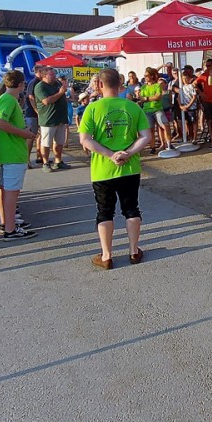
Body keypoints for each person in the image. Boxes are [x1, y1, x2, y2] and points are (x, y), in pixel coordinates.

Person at [78, 67, 152, 270]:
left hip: (103, 169)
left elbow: (85, 139)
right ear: (120, 84)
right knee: (131, 208)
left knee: (104, 211)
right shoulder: (133, 107)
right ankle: (134, 251)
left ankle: (107, 255)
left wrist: (110, 154)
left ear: (99, 84)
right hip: (130, 168)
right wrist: (128, 152)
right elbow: (146, 136)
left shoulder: (92, 108)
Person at [0, 70, 37, 239]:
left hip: (8, 151)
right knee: (11, 192)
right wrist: (23, 133)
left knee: (6, 190)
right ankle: (10, 228)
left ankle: (6, 222)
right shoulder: (9, 99)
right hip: (12, 152)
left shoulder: (4, 98)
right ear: (21, 84)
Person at [33, 66, 70, 171]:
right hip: (48, 119)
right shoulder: (40, 87)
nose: (54, 76)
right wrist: (60, 93)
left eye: (54, 74)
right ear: (44, 76)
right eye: (51, 74)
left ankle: (58, 161)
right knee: (46, 143)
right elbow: (46, 101)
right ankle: (45, 162)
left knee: (59, 142)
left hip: (60, 118)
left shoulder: (57, 83)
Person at [137, 67, 170, 154]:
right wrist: (149, 98)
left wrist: (146, 98)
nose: (145, 77)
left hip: (157, 109)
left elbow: (157, 97)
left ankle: (169, 144)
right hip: (147, 110)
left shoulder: (157, 86)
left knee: (165, 125)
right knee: (151, 129)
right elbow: (141, 98)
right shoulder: (143, 87)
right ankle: (152, 147)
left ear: (151, 76)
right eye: (144, 76)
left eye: (147, 75)